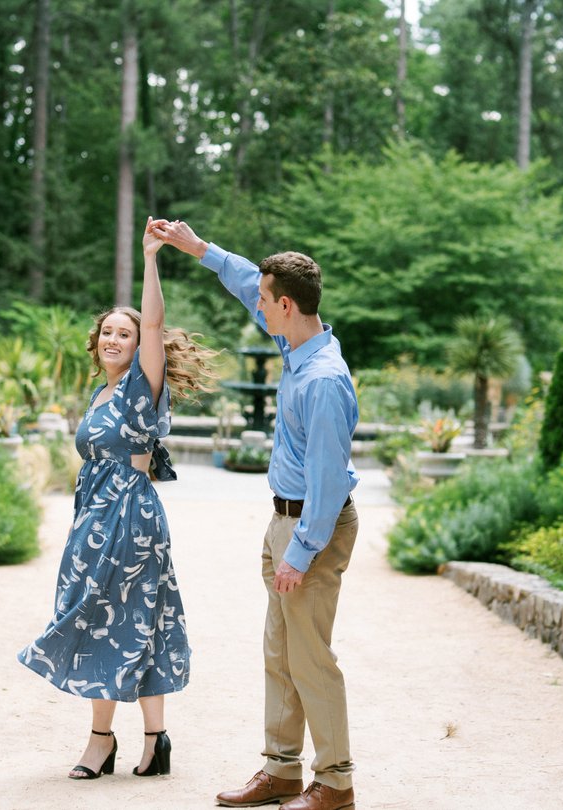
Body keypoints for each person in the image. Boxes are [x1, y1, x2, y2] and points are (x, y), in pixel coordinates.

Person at [151, 219, 360, 810]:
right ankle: (283, 771)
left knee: (311, 659)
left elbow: (325, 484)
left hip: (311, 528)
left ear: (287, 305)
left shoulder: (322, 380)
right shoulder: (297, 342)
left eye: (267, 303)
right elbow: (248, 282)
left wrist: (298, 552)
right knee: (279, 654)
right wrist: (199, 250)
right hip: (285, 520)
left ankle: (336, 783)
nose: (258, 309)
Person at [19, 217, 218, 780]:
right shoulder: (98, 391)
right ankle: (147, 743)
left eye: (123, 334)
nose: (114, 339)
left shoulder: (140, 385)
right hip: (94, 518)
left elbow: (153, 322)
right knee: (116, 617)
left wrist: (151, 259)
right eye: (107, 332)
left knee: (110, 616)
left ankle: (109, 741)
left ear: (138, 346)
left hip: (130, 516)